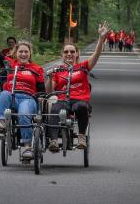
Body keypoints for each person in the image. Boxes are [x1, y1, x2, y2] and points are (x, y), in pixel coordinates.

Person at [45, 21, 111, 152]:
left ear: (77, 54)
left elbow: (96, 55)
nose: (69, 54)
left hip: (79, 99)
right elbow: (49, 92)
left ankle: (81, 136)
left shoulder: (83, 67)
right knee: (54, 107)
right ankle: (53, 140)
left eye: (72, 51)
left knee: (81, 107)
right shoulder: (58, 70)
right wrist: (50, 77)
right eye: (66, 52)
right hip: (63, 99)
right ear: (62, 55)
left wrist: (101, 38)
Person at [0, 24, 45, 159]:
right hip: (11, 96)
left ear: (30, 54)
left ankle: (27, 147)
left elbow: (41, 91)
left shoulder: (37, 68)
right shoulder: (11, 64)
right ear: (16, 53)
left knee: (24, 113)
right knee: (4, 93)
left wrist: (41, 101)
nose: (23, 54)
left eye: (26, 52)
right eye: (21, 52)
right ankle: (1, 122)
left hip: (28, 99)